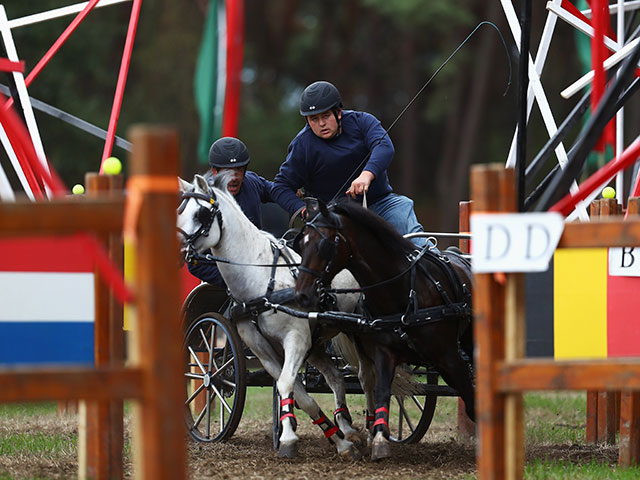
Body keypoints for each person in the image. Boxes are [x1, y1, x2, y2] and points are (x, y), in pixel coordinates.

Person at [271, 80, 427, 247]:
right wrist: (303, 210)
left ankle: (437, 262)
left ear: (338, 113)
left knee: (406, 216)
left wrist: (367, 175)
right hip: (333, 217)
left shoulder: (362, 122)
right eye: (313, 119)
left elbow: (384, 146)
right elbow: (280, 186)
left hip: (380, 204)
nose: (321, 123)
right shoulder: (302, 145)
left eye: (325, 116)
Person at [187, 137, 276, 286]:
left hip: (263, 271)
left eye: (238, 170)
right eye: (227, 171)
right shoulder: (203, 203)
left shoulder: (252, 182)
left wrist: (296, 192)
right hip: (224, 281)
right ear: (215, 172)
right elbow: (195, 264)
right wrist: (238, 281)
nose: (234, 177)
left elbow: (276, 191)